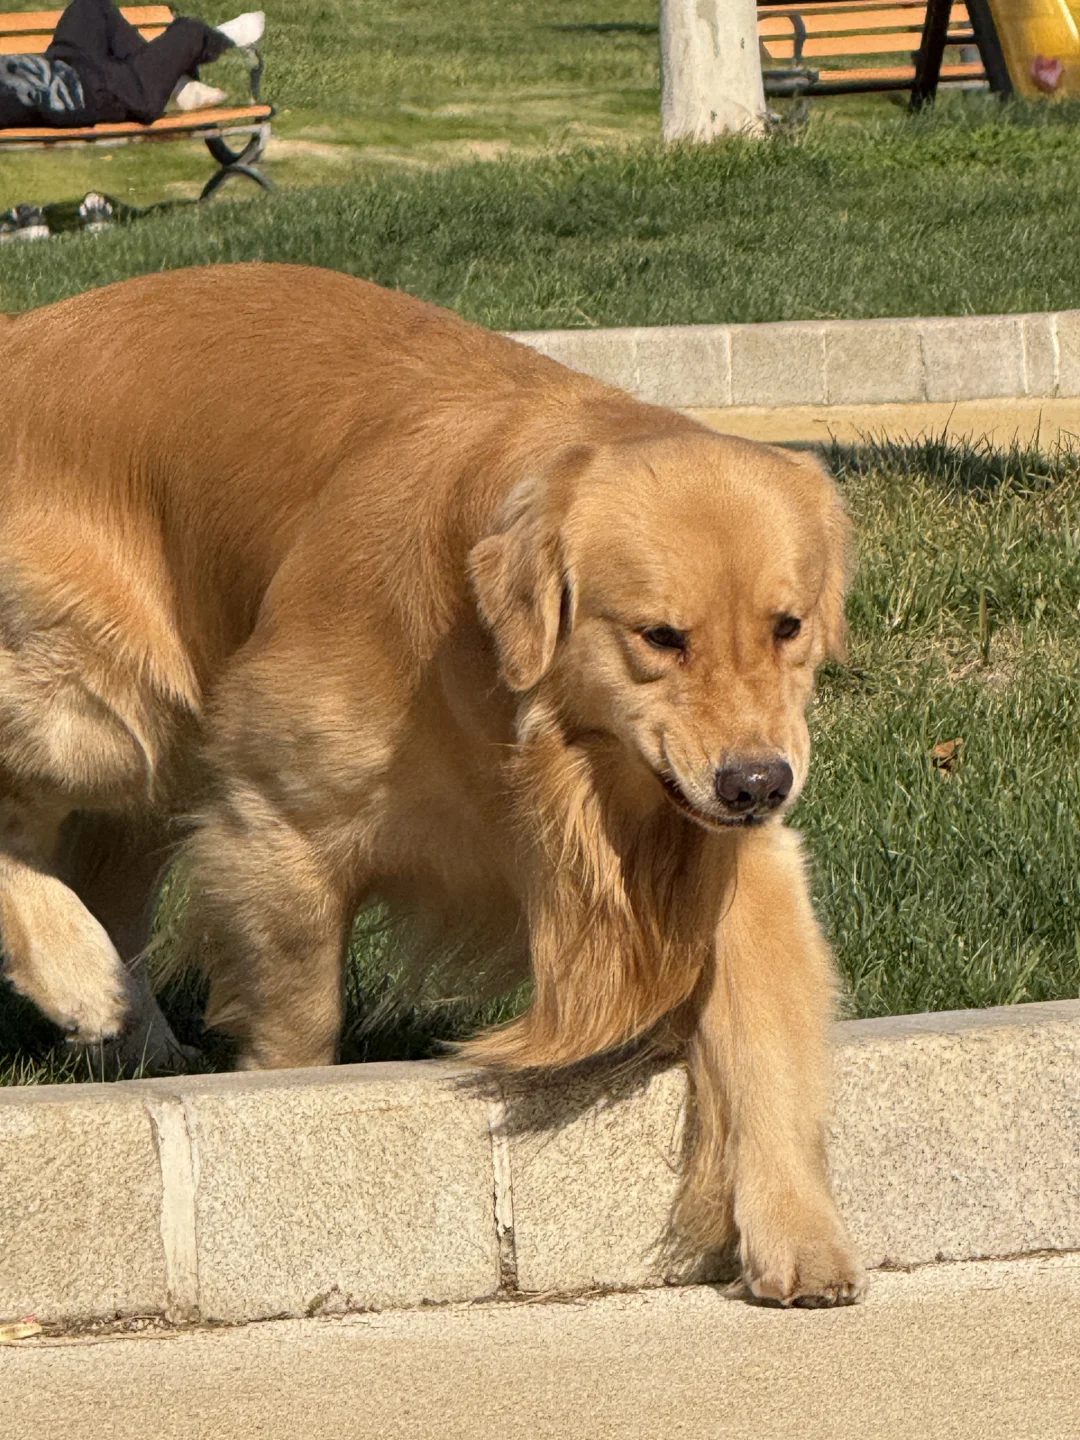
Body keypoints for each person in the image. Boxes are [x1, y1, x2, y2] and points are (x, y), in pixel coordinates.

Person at [0, 0, 264, 130]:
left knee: (90, 8)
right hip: (90, 96)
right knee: (190, 33)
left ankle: (174, 85)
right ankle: (172, 81)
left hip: (62, 66)